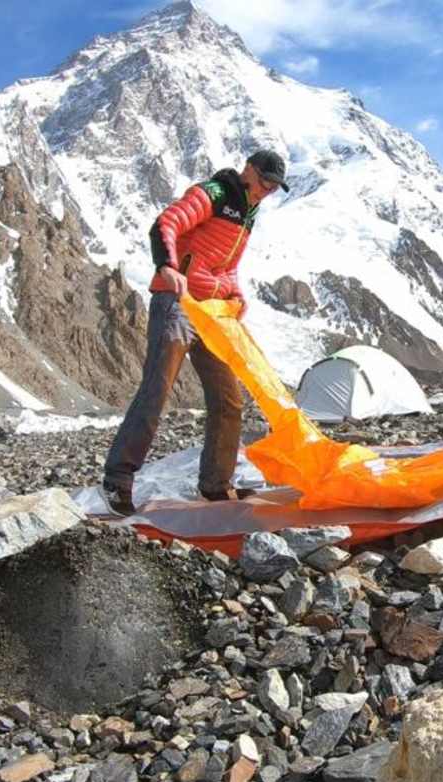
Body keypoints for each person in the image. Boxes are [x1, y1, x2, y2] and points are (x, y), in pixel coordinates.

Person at [101, 149, 291, 515]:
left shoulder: (250, 214)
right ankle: (117, 480)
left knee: (228, 399)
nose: (267, 190)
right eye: (265, 181)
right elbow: (165, 224)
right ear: (248, 170)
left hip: (212, 313)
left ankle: (216, 486)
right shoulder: (215, 193)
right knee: (157, 390)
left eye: (274, 186)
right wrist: (167, 266)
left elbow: (227, 265)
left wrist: (235, 292)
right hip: (177, 302)